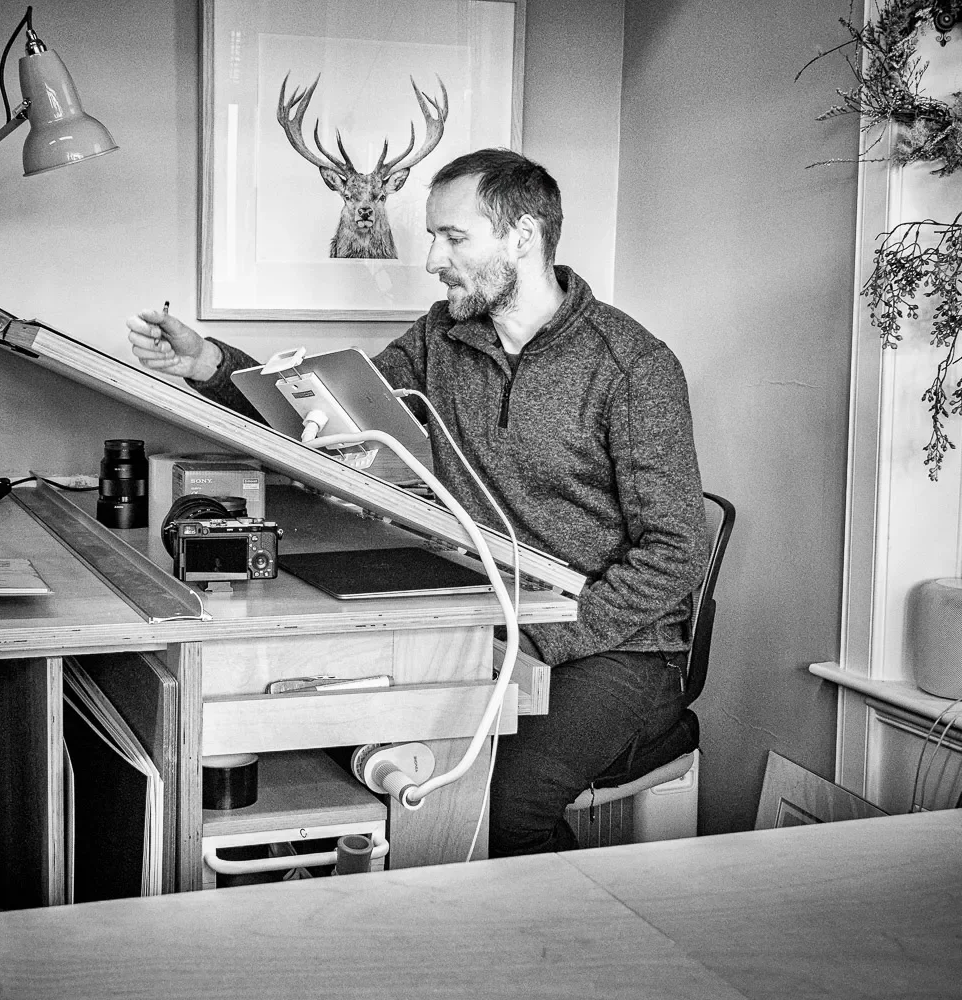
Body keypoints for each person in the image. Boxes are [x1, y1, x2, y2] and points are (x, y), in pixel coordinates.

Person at [127, 148, 707, 856]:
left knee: (498, 806)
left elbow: (676, 551)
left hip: (617, 648)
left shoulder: (632, 366)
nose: (432, 259)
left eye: (453, 237)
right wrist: (210, 367)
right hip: (489, 616)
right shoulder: (442, 337)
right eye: (434, 236)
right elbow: (323, 417)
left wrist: (543, 637)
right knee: (369, 754)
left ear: (523, 236)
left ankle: (554, 958)